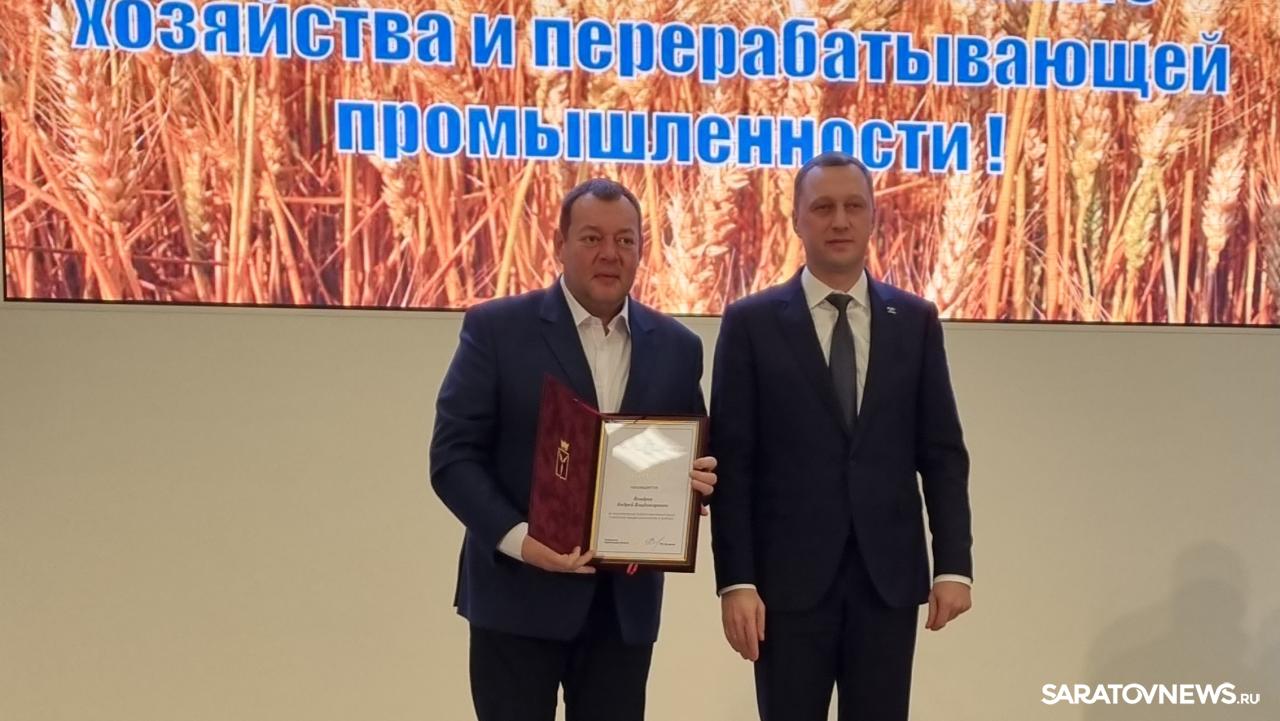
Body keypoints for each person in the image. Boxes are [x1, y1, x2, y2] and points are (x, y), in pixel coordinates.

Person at [430, 178, 717, 721]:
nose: (610, 253)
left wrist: (699, 481)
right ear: (559, 244)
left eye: (625, 240)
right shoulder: (496, 329)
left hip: (622, 612)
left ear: (641, 249)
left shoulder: (678, 347)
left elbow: (688, 450)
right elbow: (453, 458)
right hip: (515, 597)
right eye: (591, 238)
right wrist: (521, 540)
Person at [709, 152, 974, 721]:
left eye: (854, 206)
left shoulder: (916, 321)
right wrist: (736, 581)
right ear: (796, 219)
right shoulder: (751, 323)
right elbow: (733, 462)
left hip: (888, 582)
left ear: (874, 217)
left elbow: (942, 453)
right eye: (823, 207)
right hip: (785, 588)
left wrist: (953, 565)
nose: (839, 221)